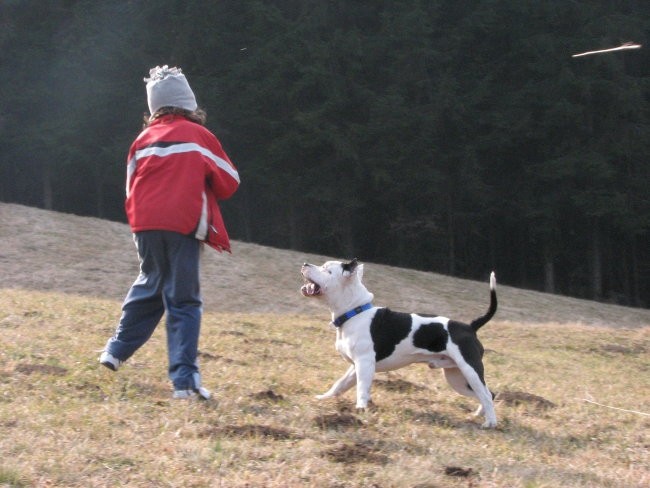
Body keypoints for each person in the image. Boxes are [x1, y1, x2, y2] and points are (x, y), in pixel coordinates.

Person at [99, 65, 240, 399]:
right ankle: (185, 382)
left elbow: (130, 186)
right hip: (182, 223)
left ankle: (116, 349)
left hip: (145, 224)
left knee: (150, 285)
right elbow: (230, 182)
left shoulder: (141, 140)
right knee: (183, 301)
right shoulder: (200, 137)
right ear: (189, 105)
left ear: (153, 108)